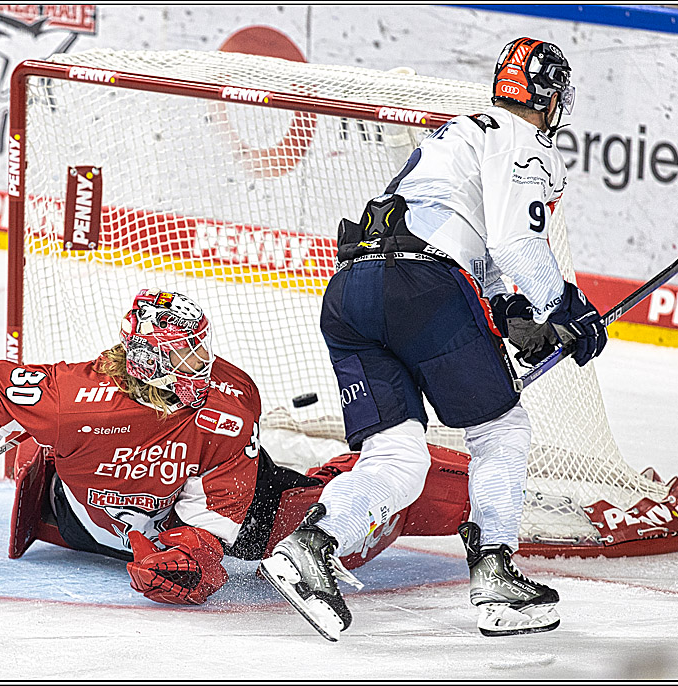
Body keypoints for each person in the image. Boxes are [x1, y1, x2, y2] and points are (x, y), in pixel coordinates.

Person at [259, 37, 607, 639]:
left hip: (351, 294)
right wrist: (566, 307)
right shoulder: (522, 141)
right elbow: (516, 243)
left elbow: (475, 246)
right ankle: (496, 574)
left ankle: (313, 544)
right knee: (501, 429)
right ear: (549, 95)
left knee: (398, 458)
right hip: (423, 290)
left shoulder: (456, 133)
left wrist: (516, 312)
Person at [0, 287, 476, 607]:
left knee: (330, 530)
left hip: (183, 512)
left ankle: (458, 496)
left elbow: (225, 498)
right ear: (144, 358)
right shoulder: (74, 398)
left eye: (198, 348)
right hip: (78, 518)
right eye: (180, 355)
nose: (198, 366)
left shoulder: (229, 401)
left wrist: (197, 547)